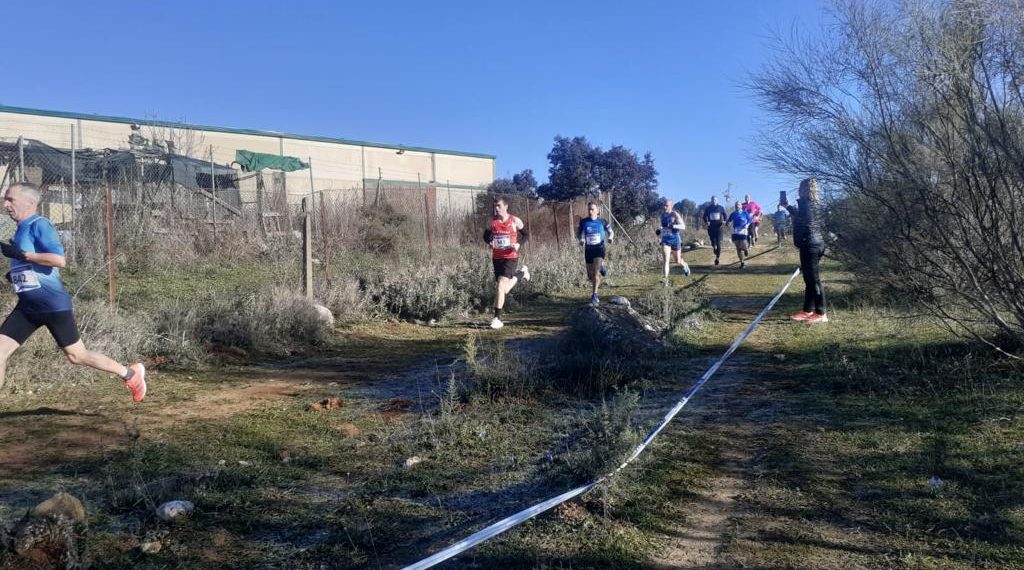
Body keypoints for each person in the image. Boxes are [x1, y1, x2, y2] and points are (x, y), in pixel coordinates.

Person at [0, 183, 147, 401]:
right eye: (5, 200)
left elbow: (59, 260)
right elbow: (34, 268)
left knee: (77, 356)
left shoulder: (40, 224)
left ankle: (130, 373)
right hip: (27, 307)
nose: (5, 204)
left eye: (11, 199)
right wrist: (16, 274)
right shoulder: (21, 228)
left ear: (29, 203)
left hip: (52, 305)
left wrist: (22, 256)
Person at [784, 179, 827, 323]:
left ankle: (821, 313)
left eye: (800, 188)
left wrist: (801, 240)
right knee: (808, 278)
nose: (798, 190)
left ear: (804, 189)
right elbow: (802, 217)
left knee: (813, 279)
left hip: (810, 245)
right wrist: (788, 207)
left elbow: (804, 221)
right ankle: (808, 310)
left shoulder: (805, 203)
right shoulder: (814, 204)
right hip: (815, 243)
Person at [484, 197, 530, 329]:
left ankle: (497, 318)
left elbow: (526, 235)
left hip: (511, 257)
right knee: (504, 289)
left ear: (506, 206)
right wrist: (490, 242)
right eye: (495, 206)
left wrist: (518, 244)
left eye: (498, 206)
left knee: (500, 286)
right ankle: (521, 274)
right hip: (497, 258)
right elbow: (485, 236)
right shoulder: (492, 222)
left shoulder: (515, 220)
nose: (496, 209)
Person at [576, 202, 613, 304]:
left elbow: (611, 231)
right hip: (588, 250)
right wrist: (581, 239)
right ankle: (602, 266)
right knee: (590, 276)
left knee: (596, 273)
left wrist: (610, 237)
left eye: (592, 209)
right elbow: (578, 233)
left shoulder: (602, 221)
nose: (590, 211)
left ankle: (595, 295)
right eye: (589, 209)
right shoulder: (584, 222)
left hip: (599, 249)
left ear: (597, 211)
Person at [656, 199, 690, 285]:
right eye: (664, 205)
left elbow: (683, 226)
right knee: (666, 260)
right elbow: (664, 227)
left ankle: (685, 265)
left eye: (666, 205)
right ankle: (665, 281)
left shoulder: (674, 214)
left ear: (671, 206)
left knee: (677, 261)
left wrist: (673, 225)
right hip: (665, 240)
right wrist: (659, 230)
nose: (664, 207)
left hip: (675, 239)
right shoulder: (662, 215)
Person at [702, 196, 727, 266]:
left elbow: (725, 215)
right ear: (711, 201)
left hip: (719, 228)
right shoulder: (708, 208)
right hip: (711, 228)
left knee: (718, 243)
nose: (714, 201)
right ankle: (714, 247)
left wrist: (724, 221)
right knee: (713, 243)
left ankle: (717, 258)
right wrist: (706, 222)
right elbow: (704, 217)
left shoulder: (721, 207)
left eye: (715, 200)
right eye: (713, 200)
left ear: (717, 201)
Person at [727, 201, 752, 268]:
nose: (737, 206)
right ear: (735, 206)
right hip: (736, 231)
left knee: (743, 243)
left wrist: (747, 225)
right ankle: (742, 262)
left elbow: (750, 220)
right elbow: (729, 220)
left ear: (741, 206)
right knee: (738, 248)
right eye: (736, 205)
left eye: (739, 205)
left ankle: (745, 249)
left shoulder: (744, 212)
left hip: (743, 230)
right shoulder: (733, 213)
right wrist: (727, 223)